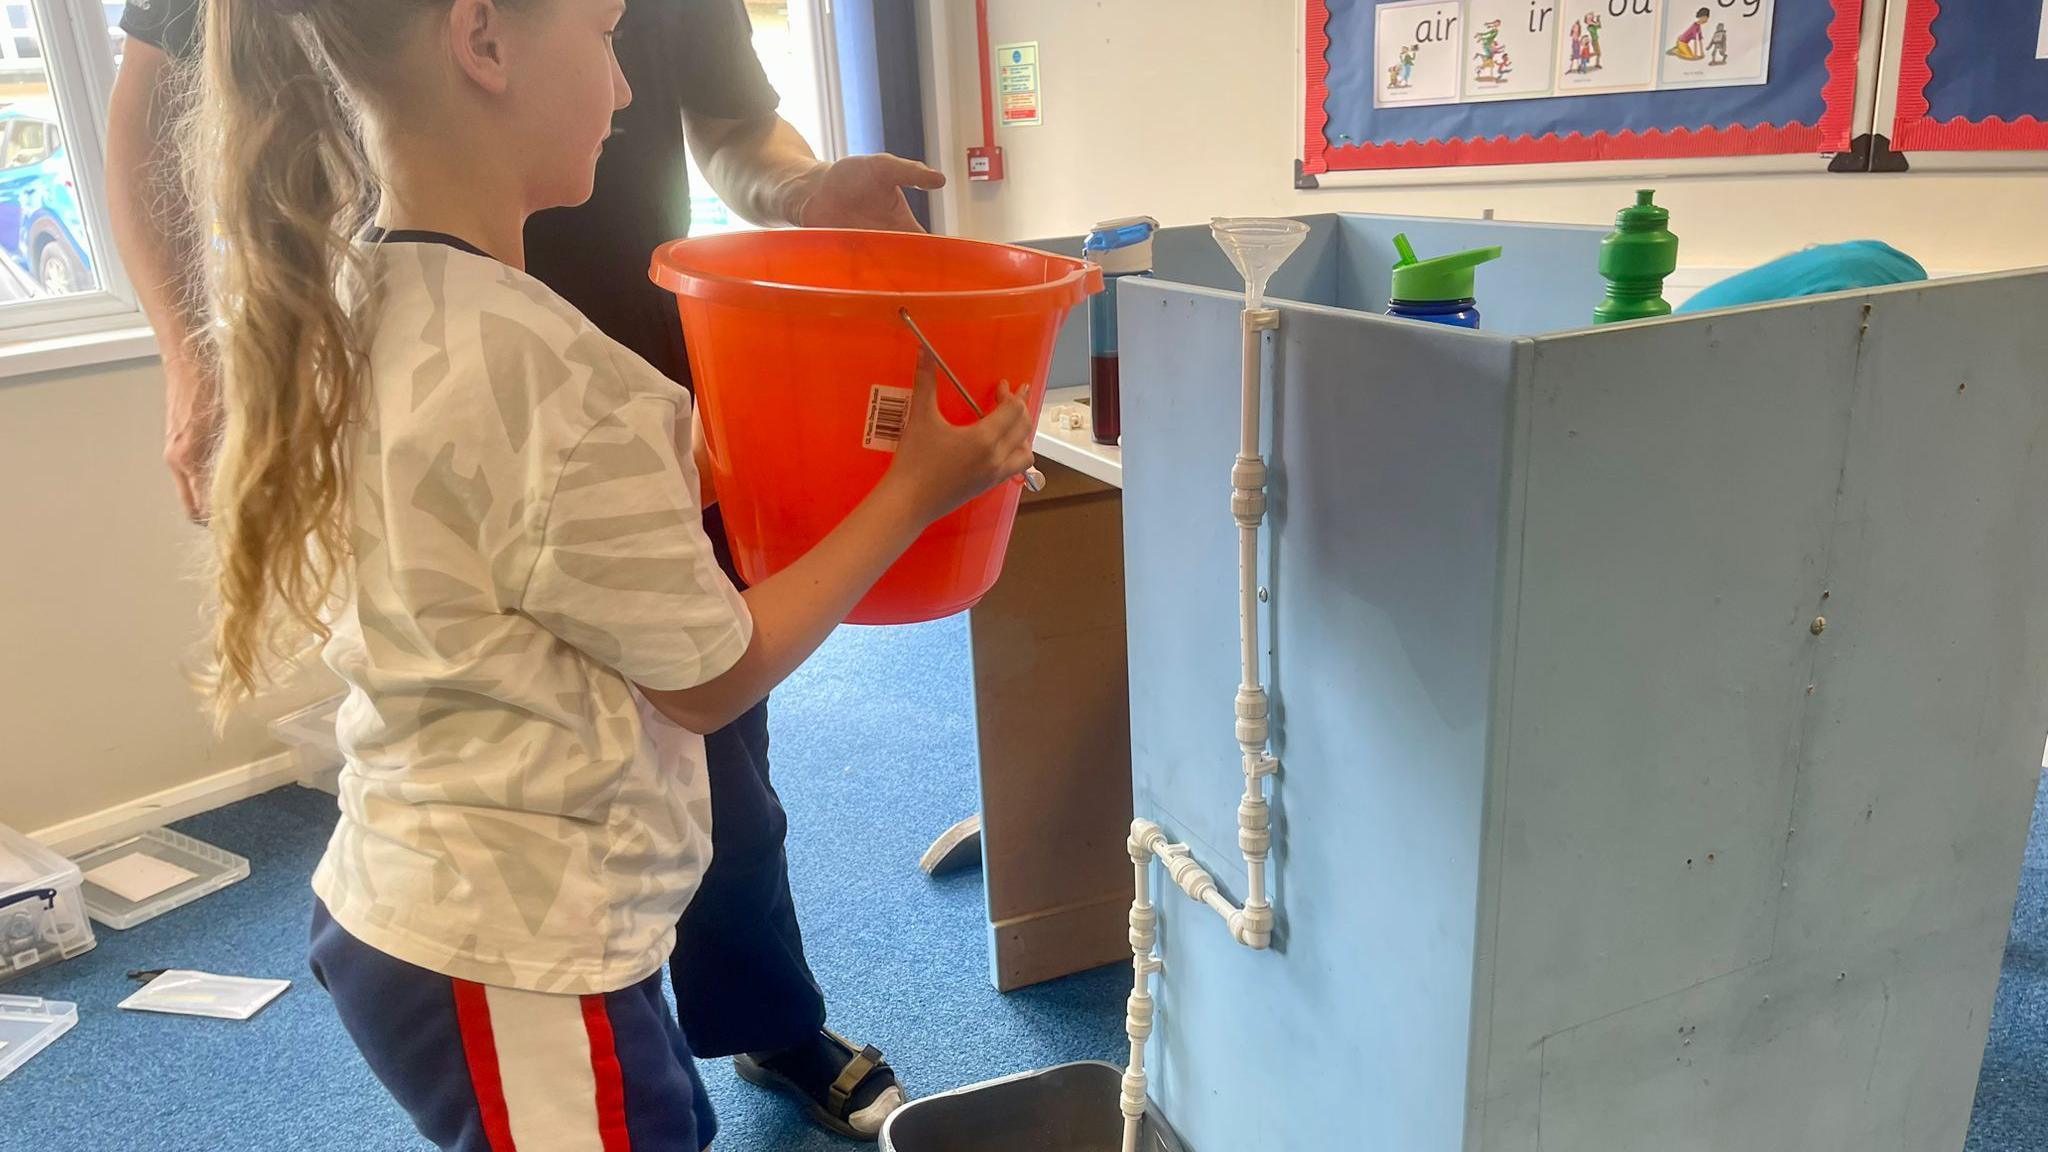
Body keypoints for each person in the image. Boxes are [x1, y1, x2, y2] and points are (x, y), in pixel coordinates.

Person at [174, 0, 1033, 1148]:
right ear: (482, 42)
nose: (629, 91)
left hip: (426, 896)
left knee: (664, 1112)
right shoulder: (571, 382)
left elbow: (523, 549)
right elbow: (708, 680)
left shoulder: (346, 308)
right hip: (513, 947)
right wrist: (911, 492)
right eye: (606, 35)